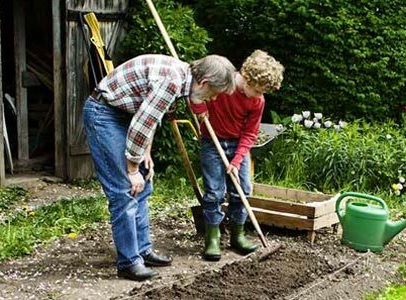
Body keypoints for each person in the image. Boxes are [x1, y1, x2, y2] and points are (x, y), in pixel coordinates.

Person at [83, 54, 236, 280]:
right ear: (204, 83)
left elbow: (151, 119)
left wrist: (145, 153)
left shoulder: (183, 79)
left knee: (144, 185)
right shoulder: (172, 81)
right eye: (214, 94)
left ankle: (142, 250)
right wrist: (132, 170)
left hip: (125, 115)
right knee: (124, 189)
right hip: (104, 113)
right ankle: (128, 262)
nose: (212, 100)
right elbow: (142, 123)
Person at [190, 50, 284, 261]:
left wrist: (237, 159)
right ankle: (212, 238)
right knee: (214, 192)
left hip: (237, 144)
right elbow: (195, 92)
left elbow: (250, 133)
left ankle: (237, 235)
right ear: (247, 78)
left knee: (242, 190)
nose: (260, 96)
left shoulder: (257, 102)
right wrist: (199, 108)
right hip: (212, 143)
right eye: (258, 90)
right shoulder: (222, 83)